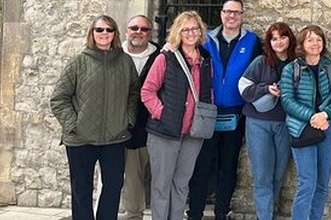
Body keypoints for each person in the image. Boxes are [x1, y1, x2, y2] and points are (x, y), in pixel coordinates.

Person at [50, 15, 139, 220]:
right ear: (92, 33)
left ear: (115, 34)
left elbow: (135, 92)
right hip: (81, 139)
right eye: (99, 30)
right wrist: (74, 125)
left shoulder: (125, 61)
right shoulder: (78, 62)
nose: (104, 34)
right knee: (81, 189)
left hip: (115, 137)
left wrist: (128, 120)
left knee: (114, 185)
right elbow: (58, 98)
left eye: (109, 30)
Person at [187, 0, 261, 220]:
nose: (232, 16)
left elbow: (258, 71)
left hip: (235, 111)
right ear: (221, 14)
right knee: (202, 163)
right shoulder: (205, 39)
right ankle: (195, 212)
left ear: (242, 15)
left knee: (228, 165)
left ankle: (221, 211)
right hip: (207, 110)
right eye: (228, 12)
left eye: (236, 12)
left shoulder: (252, 41)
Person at [141, 11, 213, 220]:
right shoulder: (166, 58)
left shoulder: (205, 59)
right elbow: (147, 91)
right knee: (162, 186)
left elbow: (208, 91)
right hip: (164, 132)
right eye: (186, 29)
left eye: (195, 28)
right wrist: (163, 114)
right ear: (178, 32)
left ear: (201, 32)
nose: (191, 33)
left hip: (193, 133)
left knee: (181, 184)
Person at [281, 25, 331, 220]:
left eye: (318, 39)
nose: (315, 43)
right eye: (310, 40)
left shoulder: (330, 66)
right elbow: (287, 100)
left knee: (322, 183)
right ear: (302, 44)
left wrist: (325, 114)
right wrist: (311, 116)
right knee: (307, 182)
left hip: (327, 126)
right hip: (302, 127)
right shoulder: (291, 69)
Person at [238, 22, 296, 220]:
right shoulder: (260, 62)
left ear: (290, 39)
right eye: (274, 38)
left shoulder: (297, 63)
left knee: (279, 174)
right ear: (269, 42)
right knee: (262, 174)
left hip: (285, 123)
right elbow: (243, 88)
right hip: (258, 123)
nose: (278, 42)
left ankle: (268, 213)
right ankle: (264, 217)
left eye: (282, 37)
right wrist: (265, 89)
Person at [120, 15, 160, 220]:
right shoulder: (114, 54)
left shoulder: (160, 56)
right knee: (130, 176)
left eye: (144, 29)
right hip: (118, 126)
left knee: (161, 176)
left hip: (152, 124)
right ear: (126, 30)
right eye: (134, 27)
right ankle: (133, 214)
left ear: (150, 33)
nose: (139, 32)